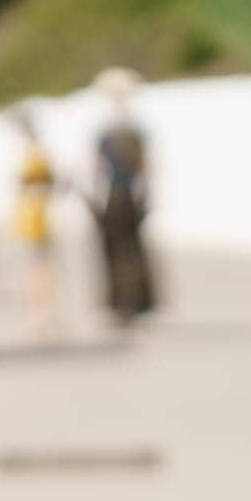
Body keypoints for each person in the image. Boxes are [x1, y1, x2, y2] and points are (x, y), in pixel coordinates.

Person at [85, 66, 158, 326]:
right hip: (115, 192)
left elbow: (145, 165)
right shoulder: (113, 130)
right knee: (117, 247)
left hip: (123, 192)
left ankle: (134, 301)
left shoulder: (129, 130)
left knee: (128, 247)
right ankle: (122, 301)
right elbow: (97, 167)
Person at [8, 108, 62, 340]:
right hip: (31, 218)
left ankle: (44, 316)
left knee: (39, 269)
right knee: (35, 268)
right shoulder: (32, 154)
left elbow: (48, 183)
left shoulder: (36, 156)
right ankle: (41, 315)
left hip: (38, 219)